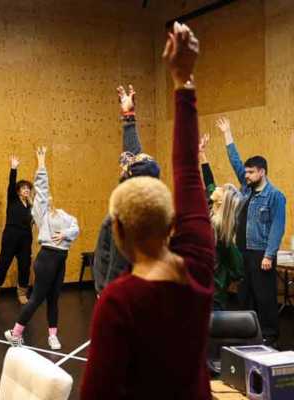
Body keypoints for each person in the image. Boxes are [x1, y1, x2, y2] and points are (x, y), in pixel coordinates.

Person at [81, 22, 215, 399]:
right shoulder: (198, 268)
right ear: (173, 223)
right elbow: (188, 170)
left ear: (118, 231)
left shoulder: (118, 301)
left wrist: (180, 80)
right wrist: (183, 78)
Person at [216, 117, 286, 344]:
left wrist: (269, 254)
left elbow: (277, 226)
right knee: (245, 295)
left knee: (264, 297)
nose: (245, 176)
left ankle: (269, 336)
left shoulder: (274, 196)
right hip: (242, 251)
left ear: (262, 172)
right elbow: (235, 161)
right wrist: (228, 135)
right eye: (245, 173)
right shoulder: (247, 188)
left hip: (260, 253)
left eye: (250, 173)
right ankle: (247, 333)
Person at [4, 147, 79, 350]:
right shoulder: (41, 214)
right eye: (45, 198)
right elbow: (42, 187)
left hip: (60, 259)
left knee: (54, 298)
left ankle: (52, 335)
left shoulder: (63, 214)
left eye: (49, 197)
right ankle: (15, 332)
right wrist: (42, 162)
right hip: (47, 258)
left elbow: (76, 226)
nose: (48, 198)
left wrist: (66, 234)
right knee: (37, 298)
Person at [93, 85, 160, 295]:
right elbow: (133, 154)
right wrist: (128, 117)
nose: (125, 164)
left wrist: (107, 295)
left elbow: (117, 264)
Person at [199, 134, 243, 310]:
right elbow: (209, 181)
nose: (216, 188)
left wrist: (225, 276)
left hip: (213, 290)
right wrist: (202, 154)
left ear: (222, 202)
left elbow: (238, 267)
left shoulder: (219, 229)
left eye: (221, 189)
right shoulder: (214, 210)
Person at [0, 156, 33, 305]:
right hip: (11, 236)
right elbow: (11, 184)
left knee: (25, 265)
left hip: (25, 238)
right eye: (24, 188)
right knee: (3, 264)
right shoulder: (13, 200)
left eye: (28, 188)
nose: (26, 190)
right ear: (18, 191)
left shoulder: (31, 206)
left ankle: (22, 293)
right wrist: (13, 168)